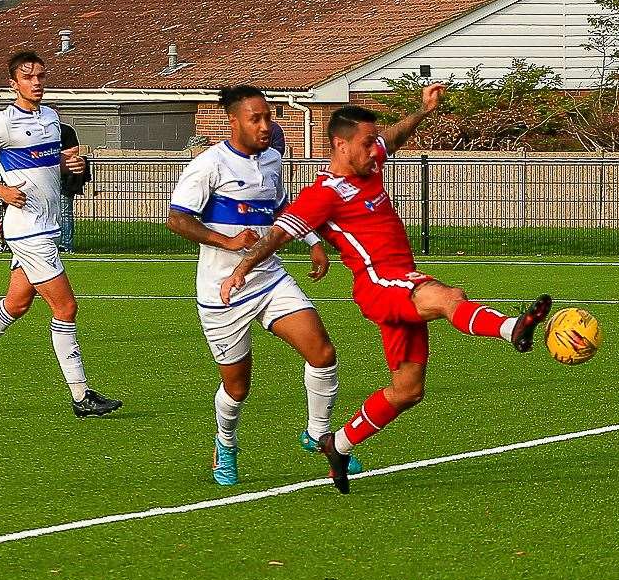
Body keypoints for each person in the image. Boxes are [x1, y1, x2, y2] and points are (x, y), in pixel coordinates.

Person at [219, 84, 554, 493]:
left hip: (402, 282)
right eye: (365, 143)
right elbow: (277, 235)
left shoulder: (370, 163)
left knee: (408, 390)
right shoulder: (322, 194)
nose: (374, 149)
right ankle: (512, 328)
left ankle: (337, 445)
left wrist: (423, 111)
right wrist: (241, 269)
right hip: (379, 283)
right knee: (450, 297)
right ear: (340, 145)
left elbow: (392, 137)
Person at [167, 85, 355, 486]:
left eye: (269, 116)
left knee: (322, 352)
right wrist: (226, 241)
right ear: (233, 121)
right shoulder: (209, 164)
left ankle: (318, 434)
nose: (266, 125)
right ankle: (226, 444)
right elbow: (177, 219)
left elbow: (283, 208)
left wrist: (312, 242)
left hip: (270, 279)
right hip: (223, 293)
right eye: (256, 118)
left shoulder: (272, 159)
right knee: (237, 388)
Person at [0, 51, 122, 416]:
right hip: (28, 230)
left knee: (17, 304)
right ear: (13, 83)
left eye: (41, 75)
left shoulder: (52, 118)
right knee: (66, 307)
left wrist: (69, 162)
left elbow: (45, 164)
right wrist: (1, 190)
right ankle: (81, 396)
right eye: (28, 76)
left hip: (45, 226)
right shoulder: (1, 122)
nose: (36, 82)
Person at [57, 122, 86, 252]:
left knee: (65, 212)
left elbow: (72, 154)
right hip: (46, 179)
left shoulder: (66, 131)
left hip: (64, 179)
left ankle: (66, 244)